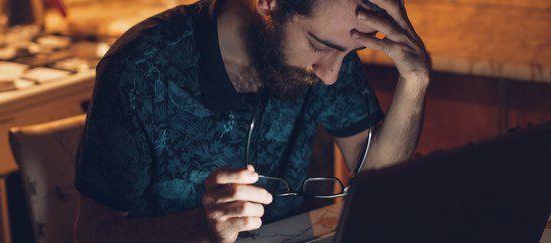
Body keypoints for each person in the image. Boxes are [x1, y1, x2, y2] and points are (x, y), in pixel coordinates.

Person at [74, 0, 431, 242]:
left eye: (347, 53)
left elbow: (379, 175)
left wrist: (415, 82)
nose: (331, 75)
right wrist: (200, 225)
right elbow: (91, 233)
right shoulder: (141, 70)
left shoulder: (327, 55)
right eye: (319, 46)